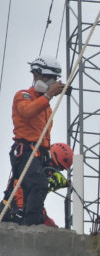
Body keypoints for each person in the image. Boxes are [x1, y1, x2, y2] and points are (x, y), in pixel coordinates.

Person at [9, 56, 66, 225]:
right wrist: (48, 95)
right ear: (36, 76)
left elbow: (45, 137)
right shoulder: (24, 96)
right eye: (49, 78)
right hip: (25, 150)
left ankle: (29, 221)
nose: (52, 82)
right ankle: (30, 226)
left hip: (39, 154)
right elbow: (27, 112)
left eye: (54, 79)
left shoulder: (46, 108)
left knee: (34, 187)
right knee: (37, 184)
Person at [2, 142, 73, 227]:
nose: (54, 171)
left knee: (51, 228)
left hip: (24, 210)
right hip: (13, 212)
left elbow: (35, 198)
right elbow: (26, 194)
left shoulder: (42, 171)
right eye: (57, 167)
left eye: (60, 169)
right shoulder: (33, 166)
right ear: (52, 158)